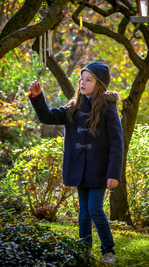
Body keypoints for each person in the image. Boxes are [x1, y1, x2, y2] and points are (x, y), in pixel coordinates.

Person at [29, 62, 123, 264]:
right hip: (81, 171)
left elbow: (117, 143)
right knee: (84, 211)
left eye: (89, 80)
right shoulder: (74, 107)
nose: (83, 82)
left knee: (95, 209)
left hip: (100, 172)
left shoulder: (108, 108)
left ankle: (109, 251)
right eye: (82, 78)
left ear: (99, 85)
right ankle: (84, 249)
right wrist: (38, 97)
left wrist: (113, 174)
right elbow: (47, 117)